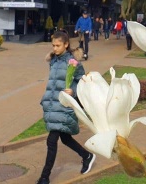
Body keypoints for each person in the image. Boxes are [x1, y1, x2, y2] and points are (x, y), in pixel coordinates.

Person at [37, 31, 95, 184]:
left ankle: (44, 177)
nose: (55, 48)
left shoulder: (73, 63)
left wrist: (73, 90)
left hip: (64, 105)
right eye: (53, 45)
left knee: (51, 140)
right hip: (53, 104)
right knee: (65, 138)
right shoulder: (54, 61)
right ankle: (86, 156)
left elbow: (83, 82)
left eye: (58, 45)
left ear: (66, 44)